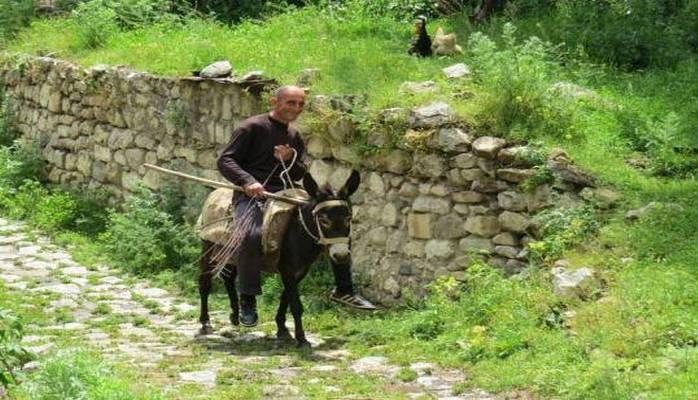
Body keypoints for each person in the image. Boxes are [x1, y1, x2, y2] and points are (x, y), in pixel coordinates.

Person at [217, 85, 376, 327]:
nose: (296, 108)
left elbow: (299, 172)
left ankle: (344, 289)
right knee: (251, 235)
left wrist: (291, 158)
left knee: (333, 224)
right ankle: (247, 299)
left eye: (300, 104)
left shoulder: (294, 136)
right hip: (251, 196)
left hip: (286, 192)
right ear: (274, 101)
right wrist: (248, 181)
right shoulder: (251, 127)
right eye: (291, 103)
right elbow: (225, 159)